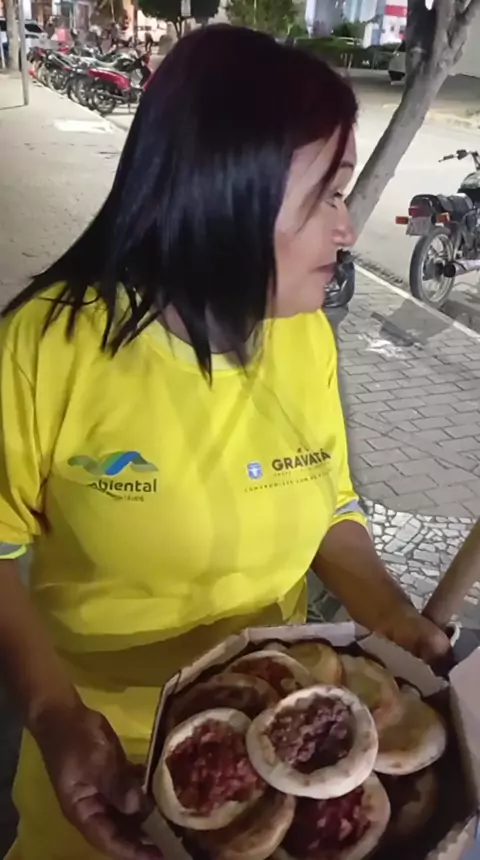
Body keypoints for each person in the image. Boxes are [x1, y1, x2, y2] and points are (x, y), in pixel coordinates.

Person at [0, 25, 449, 860]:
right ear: (227, 192)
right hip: (103, 764)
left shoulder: (304, 337)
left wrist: (393, 620)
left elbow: (330, 505)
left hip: (285, 736)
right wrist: (55, 713)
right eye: (329, 195)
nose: (348, 229)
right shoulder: (44, 348)